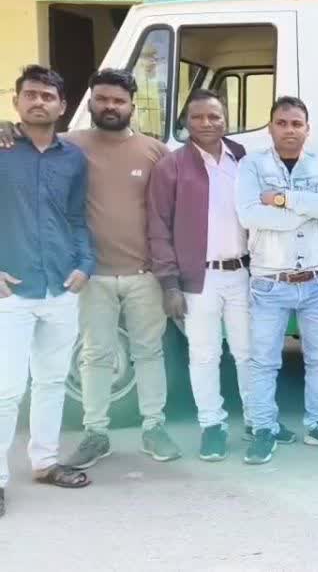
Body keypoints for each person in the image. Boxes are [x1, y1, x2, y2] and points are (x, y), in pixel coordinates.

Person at [58, 69, 180, 469]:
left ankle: (154, 427)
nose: (110, 106)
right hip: (91, 275)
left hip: (144, 274)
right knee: (95, 355)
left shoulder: (155, 151)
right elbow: (31, 149)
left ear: (132, 105)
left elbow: (171, 212)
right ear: (90, 101)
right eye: (103, 99)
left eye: (118, 101)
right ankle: (95, 433)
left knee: (149, 352)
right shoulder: (69, 145)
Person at [0, 66, 94, 518]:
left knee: (53, 380)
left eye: (48, 96)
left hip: (61, 286)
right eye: (30, 94)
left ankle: (44, 461)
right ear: (16, 101)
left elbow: (76, 217)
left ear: (62, 105)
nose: (39, 102)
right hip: (10, 292)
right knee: (6, 389)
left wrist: (85, 263)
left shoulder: (73, 159)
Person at [146, 89, 258, 462]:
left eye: (214, 116)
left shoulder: (242, 159)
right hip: (198, 280)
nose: (207, 123)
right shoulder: (172, 166)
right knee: (205, 355)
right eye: (198, 117)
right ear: (186, 123)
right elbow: (158, 227)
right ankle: (212, 425)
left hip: (241, 273)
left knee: (247, 353)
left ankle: (259, 422)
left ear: (226, 119)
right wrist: (170, 283)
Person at [237, 96, 318, 464]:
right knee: (264, 362)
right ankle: (264, 429)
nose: (289, 130)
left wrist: (283, 199)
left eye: (296, 123)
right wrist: (306, 210)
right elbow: (250, 214)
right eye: (282, 123)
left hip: (316, 281)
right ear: (270, 127)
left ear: (307, 128)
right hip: (270, 282)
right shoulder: (251, 165)